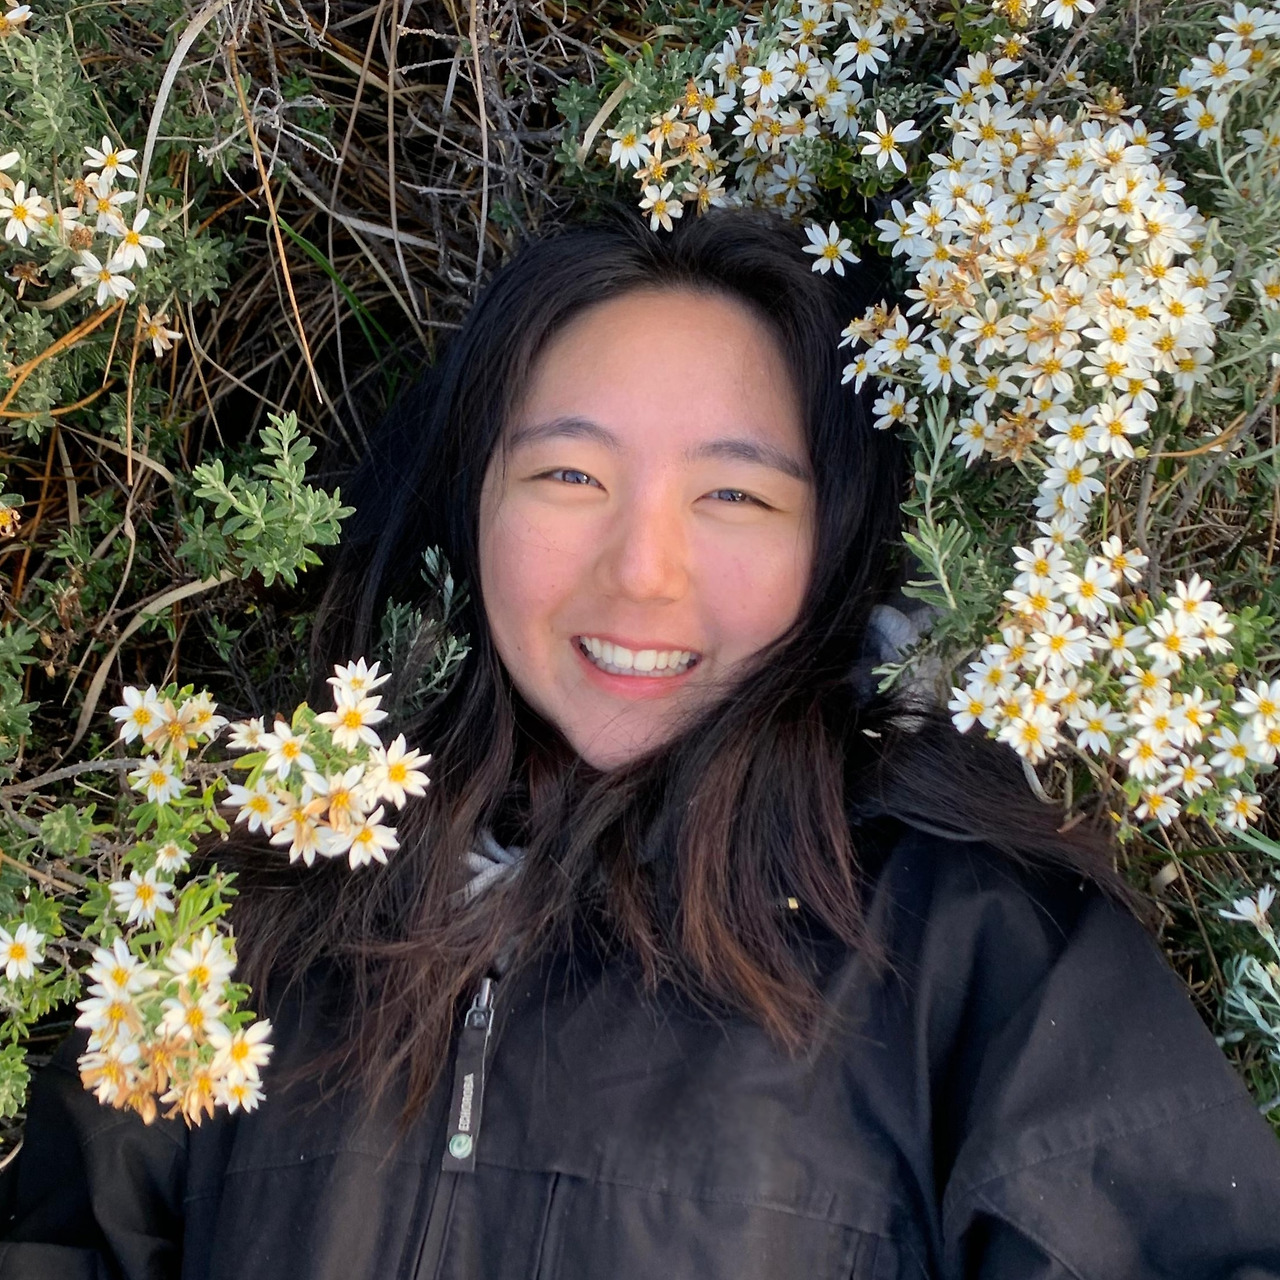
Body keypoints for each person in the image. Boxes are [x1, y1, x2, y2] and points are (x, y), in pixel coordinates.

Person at [3, 207, 1280, 1279]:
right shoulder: (257, 913)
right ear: (470, 496)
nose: (642, 572)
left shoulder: (977, 951)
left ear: (836, 539)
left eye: (734, 492)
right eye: (569, 475)